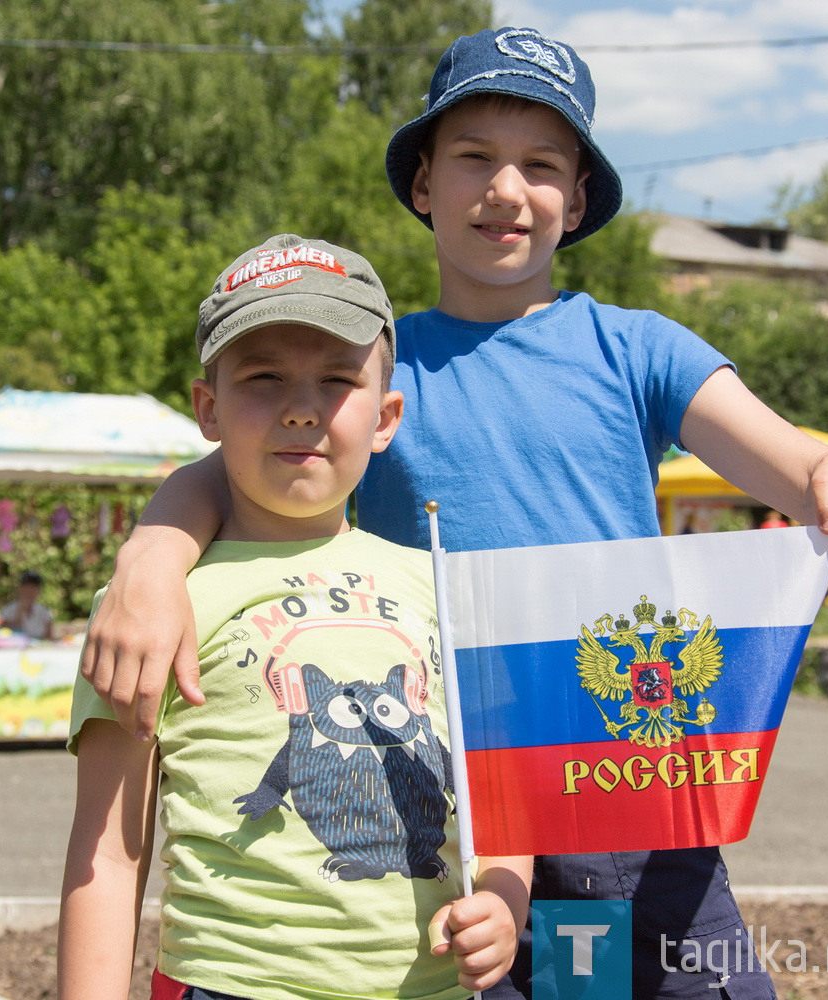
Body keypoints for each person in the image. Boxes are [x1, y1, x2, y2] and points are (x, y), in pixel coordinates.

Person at [77, 28, 828, 1000]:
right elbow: (221, 473)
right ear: (422, 184)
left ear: (577, 199)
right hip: (462, 812)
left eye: (542, 165)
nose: (506, 188)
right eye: (473, 158)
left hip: (624, 772)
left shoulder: (640, 348)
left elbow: (799, 463)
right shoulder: (371, 370)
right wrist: (151, 564)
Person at [58, 234, 531, 1000]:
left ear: (385, 418)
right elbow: (108, 855)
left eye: (337, 380)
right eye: (264, 376)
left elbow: (501, 805)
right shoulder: (151, 605)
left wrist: (506, 904)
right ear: (207, 408)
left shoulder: (444, 589)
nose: (302, 409)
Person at [0, 570, 53, 640]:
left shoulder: (44, 612)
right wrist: (20, 612)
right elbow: (3, 633)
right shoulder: (7, 610)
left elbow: (48, 638)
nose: (29, 591)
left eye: (33, 587)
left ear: (39, 591)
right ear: (20, 588)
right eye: (26, 586)